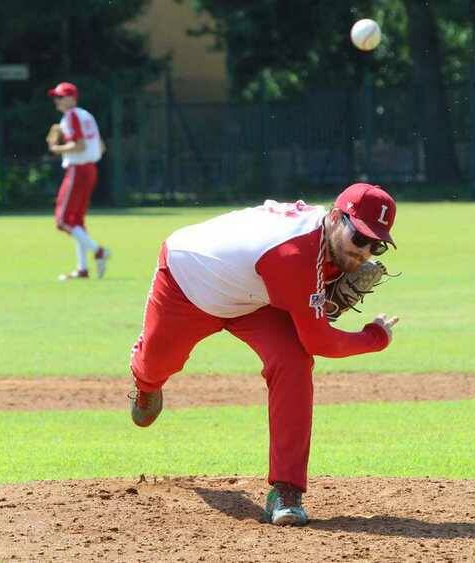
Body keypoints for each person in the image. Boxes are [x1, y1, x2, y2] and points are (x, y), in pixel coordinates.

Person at [128, 183, 400, 526]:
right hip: (188, 282)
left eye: (376, 244)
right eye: (359, 237)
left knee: (294, 361)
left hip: (253, 299)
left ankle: (287, 490)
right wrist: (375, 337)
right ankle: (145, 382)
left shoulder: (322, 247)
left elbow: (308, 324)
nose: (364, 251)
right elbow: (320, 340)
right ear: (334, 218)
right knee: (156, 365)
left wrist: (323, 302)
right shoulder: (295, 253)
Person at [47, 81, 111, 280]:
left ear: (71, 98)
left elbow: (80, 145)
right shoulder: (87, 115)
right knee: (77, 221)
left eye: (60, 97)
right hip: (90, 169)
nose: (56, 101)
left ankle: (98, 251)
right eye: (55, 97)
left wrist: (57, 149)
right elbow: (100, 147)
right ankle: (82, 269)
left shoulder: (72, 115)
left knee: (63, 220)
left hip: (78, 170)